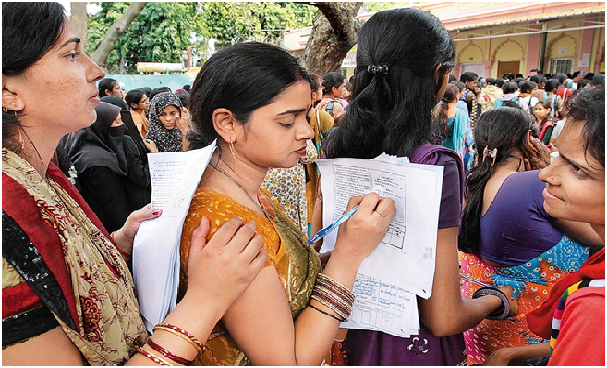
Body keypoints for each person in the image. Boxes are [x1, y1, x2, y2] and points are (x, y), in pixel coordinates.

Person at [2, 3, 268, 365]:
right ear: (8, 91)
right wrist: (206, 300)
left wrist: (118, 246)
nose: (95, 70)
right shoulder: (9, 207)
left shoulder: (40, 176)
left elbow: (57, 280)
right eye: (71, 55)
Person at [180, 41, 395, 365]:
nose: (307, 131)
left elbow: (284, 278)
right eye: (286, 121)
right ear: (227, 124)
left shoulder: (245, 192)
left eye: (306, 116)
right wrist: (348, 257)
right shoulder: (227, 228)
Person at [324, 8, 518, 365]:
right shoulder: (436, 164)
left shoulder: (335, 145)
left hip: (339, 336)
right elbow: (442, 317)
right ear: (438, 76)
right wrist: (497, 300)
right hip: (412, 351)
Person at [458, 107, 602, 365]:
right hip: (532, 336)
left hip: (483, 325)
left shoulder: (471, 183)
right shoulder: (538, 185)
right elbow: (596, 236)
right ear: (529, 140)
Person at [64, 102, 151, 232]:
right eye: (116, 122)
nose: (122, 126)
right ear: (100, 125)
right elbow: (114, 207)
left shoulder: (91, 148)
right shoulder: (98, 161)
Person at [434, 84, 470, 158]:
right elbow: (462, 138)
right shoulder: (460, 114)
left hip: (435, 150)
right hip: (452, 152)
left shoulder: (434, 110)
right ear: (457, 97)